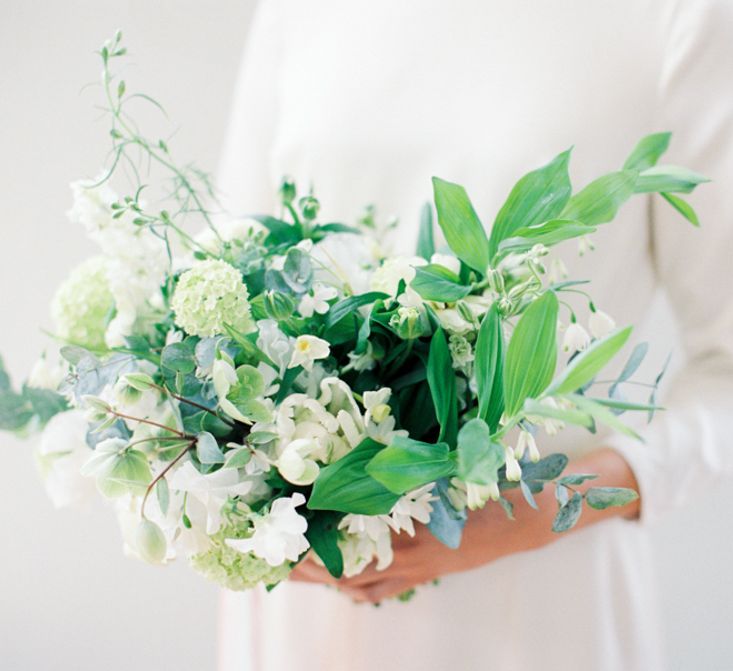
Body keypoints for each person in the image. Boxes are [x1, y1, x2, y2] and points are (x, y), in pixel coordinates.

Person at [216, 2, 733, 669]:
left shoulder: (674, 18)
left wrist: (535, 509)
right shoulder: (297, 14)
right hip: (305, 588)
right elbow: (228, 283)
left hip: (537, 598)